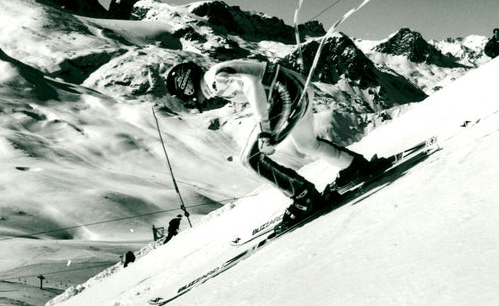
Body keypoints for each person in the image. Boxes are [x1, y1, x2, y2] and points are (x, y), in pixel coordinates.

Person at [165, 60, 388, 225]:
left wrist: (264, 127)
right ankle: (354, 166)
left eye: (182, 96)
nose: (187, 102)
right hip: (297, 88)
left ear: (186, 87)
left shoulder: (213, 80)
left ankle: (304, 197)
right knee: (307, 145)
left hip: (286, 94)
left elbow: (251, 83)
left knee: (251, 159)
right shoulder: (214, 76)